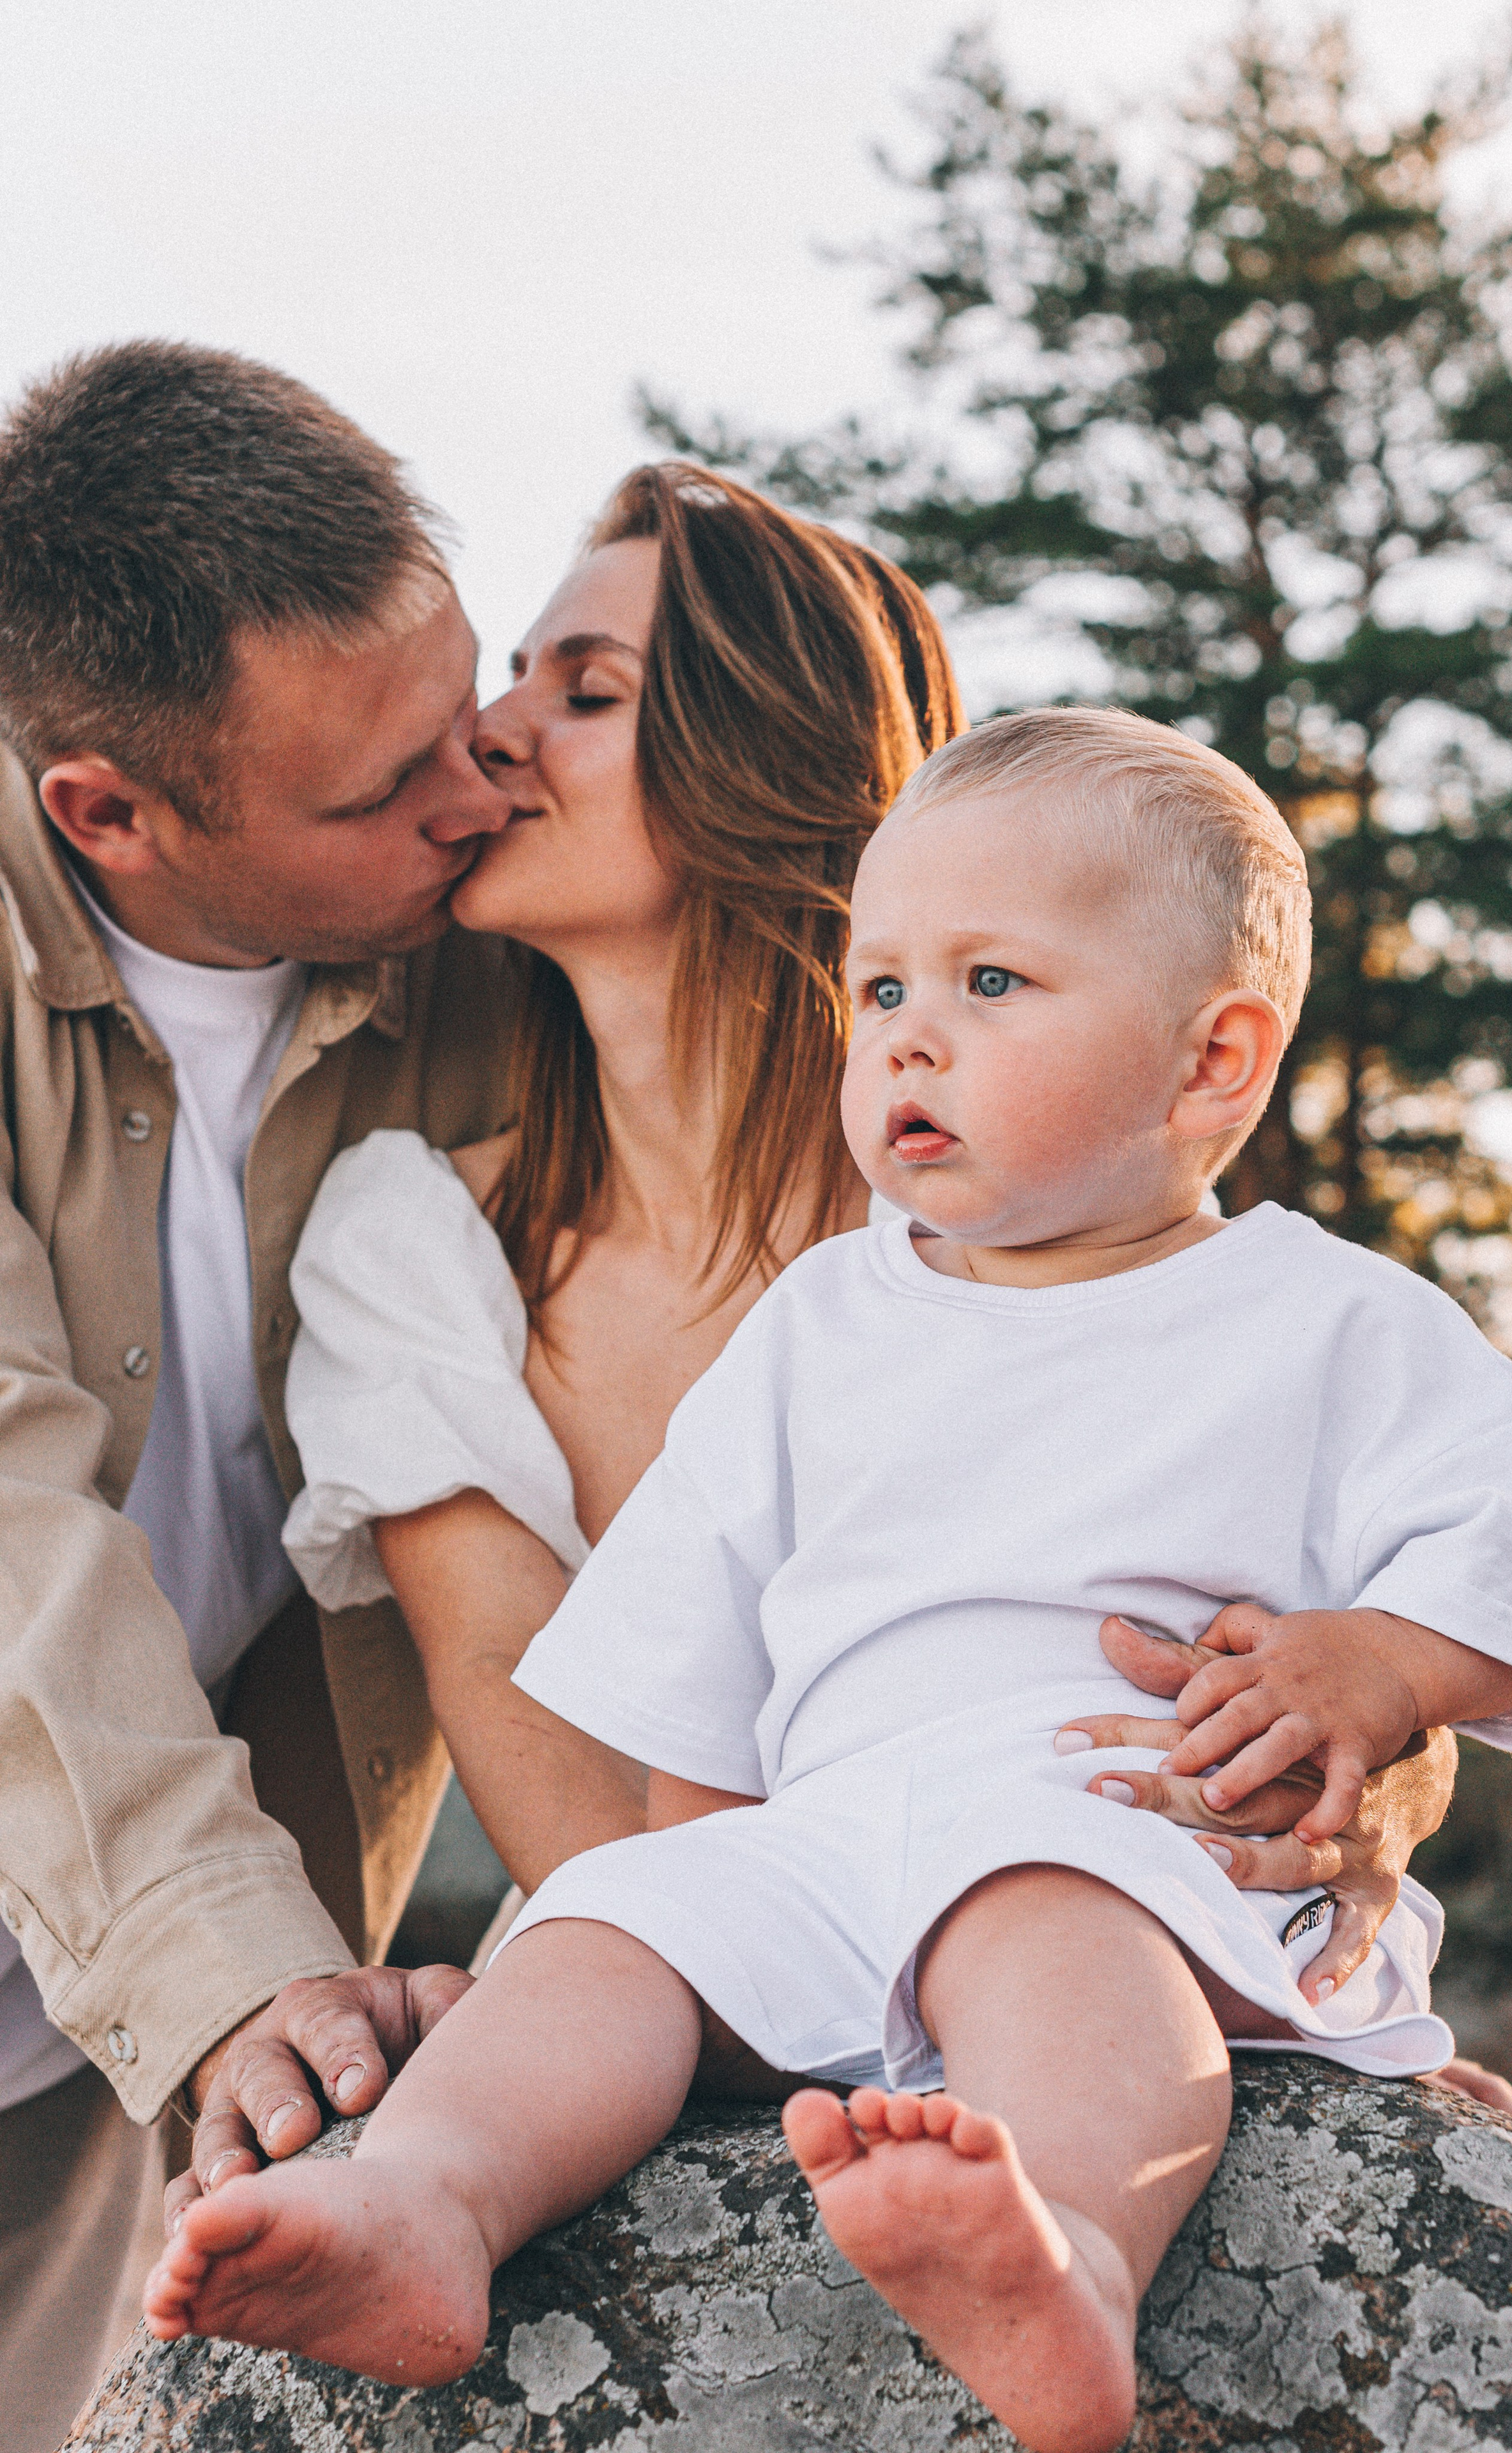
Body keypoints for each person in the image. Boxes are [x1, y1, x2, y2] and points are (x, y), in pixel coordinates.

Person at [145, 708, 1512, 2449]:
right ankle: (427, 2206)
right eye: (884, 991)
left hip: (1116, 1823)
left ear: (1214, 1059)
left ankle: (1066, 2249)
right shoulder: (819, 1325)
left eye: (992, 984)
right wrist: (692, 1913)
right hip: (830, 1840)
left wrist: (1377, 1664)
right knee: (596, 1933)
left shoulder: (1327, 1316)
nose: (914, 1039)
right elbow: (695, 1668)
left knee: (1048, 1922)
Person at [0, 340, 521, 2450]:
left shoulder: (498, 962)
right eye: (374, 790)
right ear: (106, 810)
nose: (471, 797)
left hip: (109, 2052)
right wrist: (230, 1971)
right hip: (177, 1954)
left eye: (460, 714)